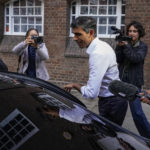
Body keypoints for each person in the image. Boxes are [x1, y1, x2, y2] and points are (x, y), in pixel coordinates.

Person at [64, 16, 128, 126]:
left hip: (112, 102)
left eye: (78, 34)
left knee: (109, 138)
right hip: (112, 99)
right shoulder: (102, 45)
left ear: (91, 32)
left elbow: (91, 93)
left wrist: (75, 85)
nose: (74, 38)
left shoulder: (98, 53)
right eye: (74, 34)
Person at [115, 21, 150, 138]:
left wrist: (125, 46)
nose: (131, 33)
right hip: (121, 81)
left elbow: (135, 58)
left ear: (139, 33)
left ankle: (148, 136)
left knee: (137, 113)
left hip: (134, 84)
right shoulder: (125, 43)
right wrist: (119, 47)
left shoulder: (143, 46)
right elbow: (118, 60)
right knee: (117, 110)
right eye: (130, 31)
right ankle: (114, 133)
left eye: (134, 31)